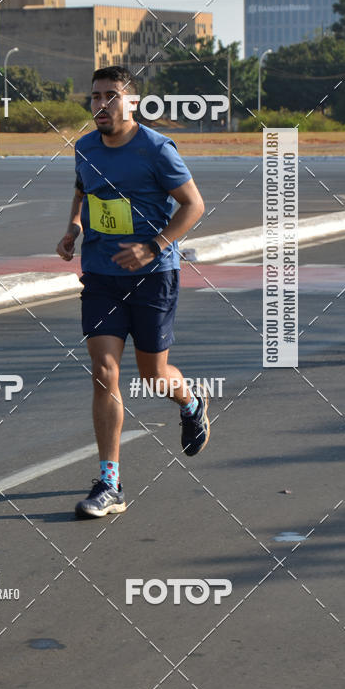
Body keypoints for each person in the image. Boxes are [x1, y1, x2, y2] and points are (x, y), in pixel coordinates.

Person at [56, 66, 209, 518]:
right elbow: (84, 192)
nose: (102, 104)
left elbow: (194, 205)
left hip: (153, 276)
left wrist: (154, 246)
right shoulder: (84, 147)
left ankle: (191, 402)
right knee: (104, 371)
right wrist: (73, 228)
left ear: (133, 103)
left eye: (112, 96)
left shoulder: (157, 149)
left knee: (153, 374)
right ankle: (110, 483)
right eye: (95, 96)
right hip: (101, 275)